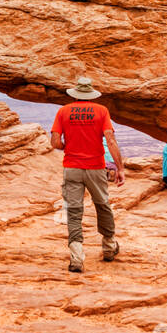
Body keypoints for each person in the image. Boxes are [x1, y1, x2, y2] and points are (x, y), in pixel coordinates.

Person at [51, 76, 123, 273]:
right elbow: (110, 140)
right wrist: (120, 168)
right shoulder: (101, 111)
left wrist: (68, 146)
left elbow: (55, 142)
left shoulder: (63, 111)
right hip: (96, 167)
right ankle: (109, 247)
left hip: (72, 167)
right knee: (102, 205)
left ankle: (77, 257)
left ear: (75, 95)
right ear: (91, 95)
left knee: (74, 211)